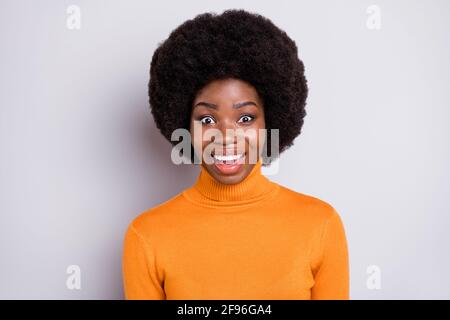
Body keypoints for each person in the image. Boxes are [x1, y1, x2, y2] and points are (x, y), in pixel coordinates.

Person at [122, 9, 349, 300]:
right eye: (207, 120)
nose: (226, 136)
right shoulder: (147, 236)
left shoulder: (320, 225)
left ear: (270, 122)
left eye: (245, 118)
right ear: (185, 127)